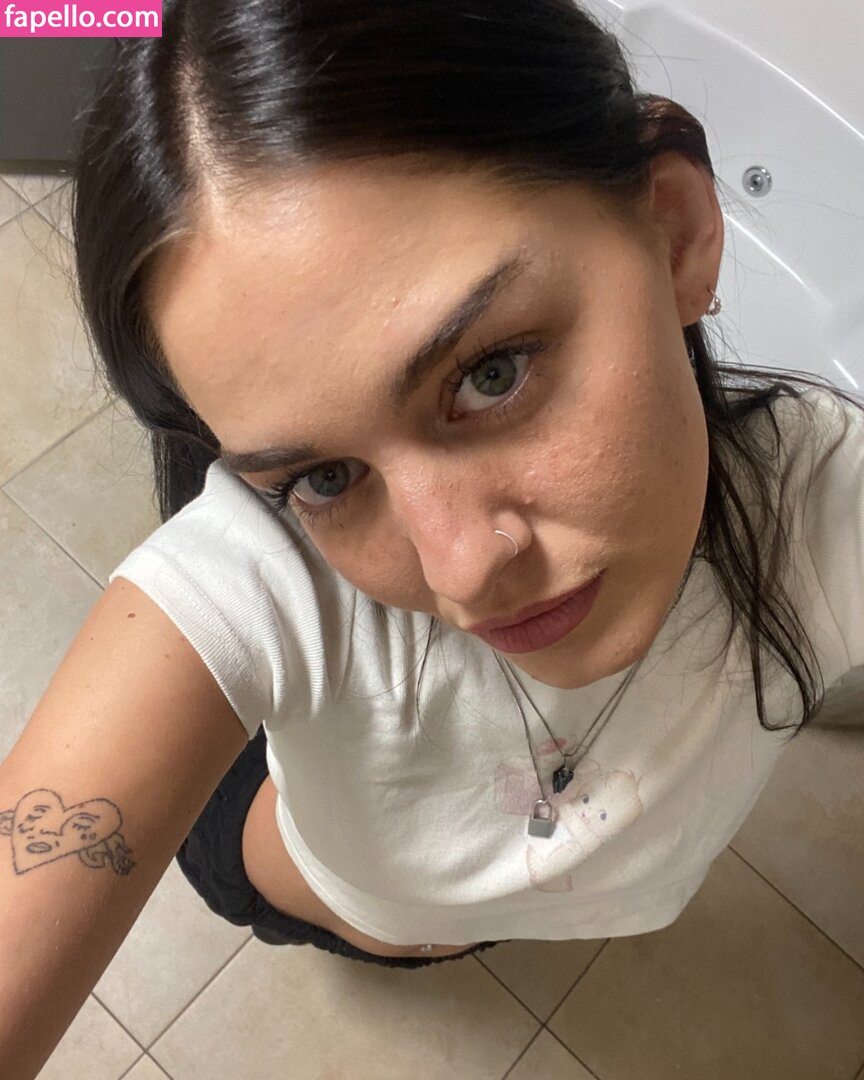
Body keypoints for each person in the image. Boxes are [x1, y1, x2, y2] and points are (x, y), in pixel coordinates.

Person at [1, 0, 862, 1073]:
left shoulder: (823, 499)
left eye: (492, 374)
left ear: (675, 229)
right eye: (320, 477)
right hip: (280, 870)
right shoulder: (258, 581)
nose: (460, 574)